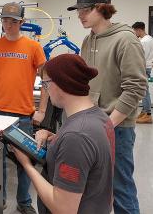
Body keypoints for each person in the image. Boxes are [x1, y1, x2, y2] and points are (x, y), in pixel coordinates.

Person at [67, 0, 147, 214]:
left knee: (120, 187)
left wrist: (109, 125)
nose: (80, 14)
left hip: (117, 127)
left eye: (85, 9)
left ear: (102, 8)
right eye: (78, 10)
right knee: (95, 186)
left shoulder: (126, 40)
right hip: (93, 123)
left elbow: (136, 87)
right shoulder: (87, 40)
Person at [13, 54, 115, 214]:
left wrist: (26, 164)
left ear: (61, 83)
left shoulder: (76, 136)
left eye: (45, 84)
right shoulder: (99, 117)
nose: (45, 90)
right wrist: (56, 138)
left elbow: (63, 209)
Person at [0, 2, 48, 214]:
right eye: (5, 20)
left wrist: (43, 110)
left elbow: (45, 79)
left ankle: (24, 202)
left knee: (24, 161)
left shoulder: (33, 47)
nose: (8, 25)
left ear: (22, 22)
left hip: (23, 114)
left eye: (13, 21)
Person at [132, 21, 153, 124]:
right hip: (147, 67)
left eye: (135, 31)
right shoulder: (149, 38)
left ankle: (148, 114)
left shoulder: (144, 41)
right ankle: (144, 111)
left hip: (144, 67)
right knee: (144, 90)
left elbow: (141, 57)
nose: (135, 33)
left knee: (144, 91)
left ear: (139, 30)